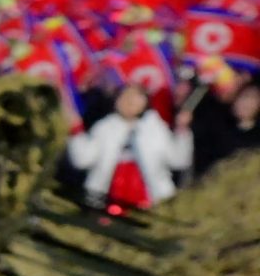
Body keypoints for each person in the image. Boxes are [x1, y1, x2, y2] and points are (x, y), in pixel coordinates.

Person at [67, 82, 194, 211]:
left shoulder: (156, 128)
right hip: (107, 202)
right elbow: (82, 160)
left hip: (150, 204)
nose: (129, 101)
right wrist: (76, 131)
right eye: (125, 96)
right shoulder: (105, 127)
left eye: (136, 97)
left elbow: (179, 160)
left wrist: (182, 130)